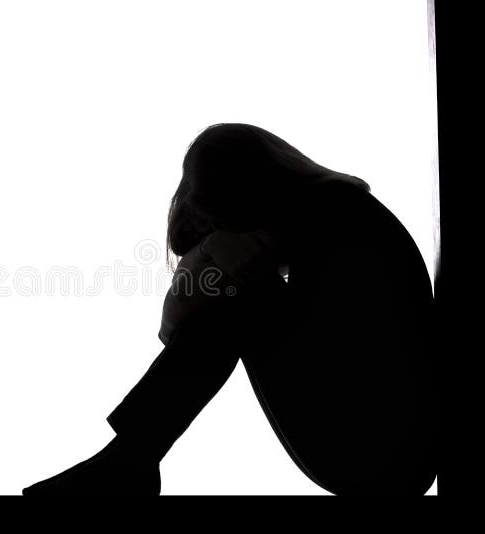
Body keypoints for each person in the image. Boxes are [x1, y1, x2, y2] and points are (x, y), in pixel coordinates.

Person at [22, 123, 438, 496]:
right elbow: (182, 322)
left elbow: (178, 321)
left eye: (225, 216)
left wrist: (214, 253)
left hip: (380, 452)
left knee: (238, 298)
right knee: (239, 297)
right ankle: (129, 460)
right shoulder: (337, 212)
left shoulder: (325, 214)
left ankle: (128, 461)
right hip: (388, 448)